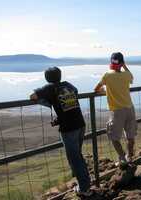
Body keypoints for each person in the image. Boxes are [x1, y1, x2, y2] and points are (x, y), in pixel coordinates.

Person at [30, 67, 92, 197]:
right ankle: (85, 183)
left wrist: (47, 99)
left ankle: (85, 188)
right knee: (78, 157)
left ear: (47, 78)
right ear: (60, 75)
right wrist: (58, 118)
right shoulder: (68, 85)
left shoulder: (49, 88)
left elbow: (33, 96)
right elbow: (71, 100)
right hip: (80, 124)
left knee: (75, 159)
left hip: (69, 129)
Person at [94, 52, 137, 166]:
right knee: (130, 136)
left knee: (114, 136)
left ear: (111, 62)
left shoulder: (107, 75)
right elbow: (131, 78)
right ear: (122, 63)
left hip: (117, 111)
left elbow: (96, 89)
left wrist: (107, 92)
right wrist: (124, 66)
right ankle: (130, 157)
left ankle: (122, 158)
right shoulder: (126, 75)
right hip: (130, 108)